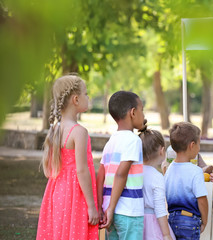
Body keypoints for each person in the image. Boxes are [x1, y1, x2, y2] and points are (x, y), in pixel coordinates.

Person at [37, 75, 99, 240]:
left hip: (56, 192)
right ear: (76, 99)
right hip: (75, 195)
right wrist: (92, 205)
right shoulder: (79, 132)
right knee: (74, 233)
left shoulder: (56, 129)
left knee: (60, 233)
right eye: (86, 94)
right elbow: (81, 170)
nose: (88, 97)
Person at [96, 91, 146, 239]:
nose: (143, 115)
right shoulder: (133, 140)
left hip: (109, 212)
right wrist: (111, 208)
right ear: (133, 112)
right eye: (142, 110)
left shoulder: (111, 142)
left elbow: (101, 177)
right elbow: (120, 174)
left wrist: (101, 207)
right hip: (129, 212)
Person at [165, 122, 208, 240]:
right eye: (199, 144)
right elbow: (202, 199)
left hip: (172, 221)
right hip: (190, 221)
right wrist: (204, 221)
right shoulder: (196, 171)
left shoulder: (168, 170)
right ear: (192, 145)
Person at [138, 127, 176, 240]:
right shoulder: (157, 177)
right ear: (162, 150)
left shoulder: (134, 172)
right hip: (153, 224)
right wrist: (166, 234)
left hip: (137, 220)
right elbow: (160, 208)